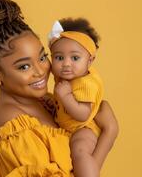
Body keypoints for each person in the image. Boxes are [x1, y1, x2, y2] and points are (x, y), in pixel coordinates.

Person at [0, 0, 119, 177]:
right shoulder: (12, 126)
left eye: (42, 57)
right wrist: (109, 133)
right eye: (24, 66)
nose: (40, 71)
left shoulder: (42, 100)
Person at [48, 18, 114, 177]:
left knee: (80, 151)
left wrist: (66, 96)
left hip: (84, 127)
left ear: (90, 61)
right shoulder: (67, 76)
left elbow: (83, 113)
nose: (66, 64)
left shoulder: (86, 83)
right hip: (67, 127)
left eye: (75, 58)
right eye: (59, 57)